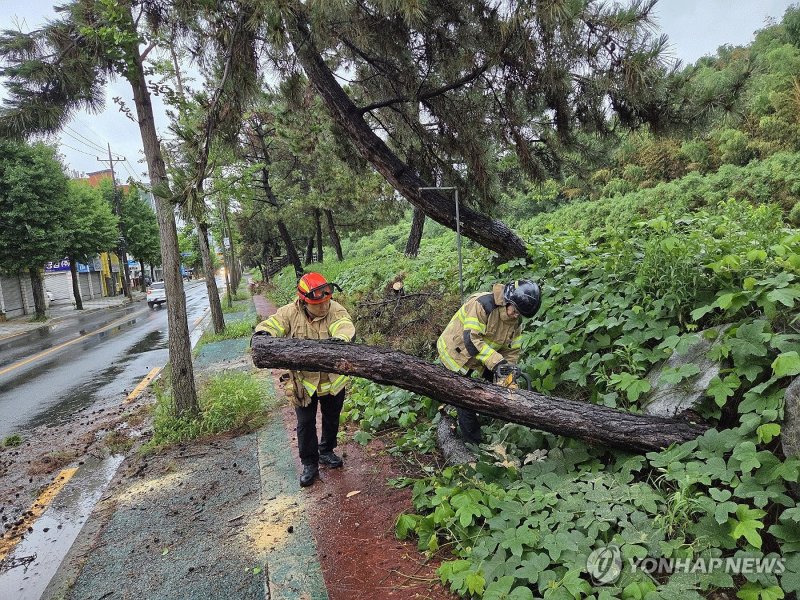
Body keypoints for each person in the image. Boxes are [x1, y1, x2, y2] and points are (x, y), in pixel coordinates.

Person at [252, 272, 355, 487]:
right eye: (318, 304)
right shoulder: (290, 312)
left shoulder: (335, 309)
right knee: (305, 422)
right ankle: (309, 464)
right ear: (303, 300)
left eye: (326, 301)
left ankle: (326, 450)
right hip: (304, 382)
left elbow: (343, 324)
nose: (323, 307)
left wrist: (340, 339)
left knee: (331, 417)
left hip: (331, 380)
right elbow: (274, 323)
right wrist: (262, 335)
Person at [437, 280, 541, 444]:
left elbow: (511, 350)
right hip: (456, 353)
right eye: (515, 311)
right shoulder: (483, 305)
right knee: (465, 400)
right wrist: (498, 363)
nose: (516, 316)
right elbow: (471, 340)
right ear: (508, 301)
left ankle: (492, 416)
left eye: (520, 314)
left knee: (495, 385)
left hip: (481, 357)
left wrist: (508, 373)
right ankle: (474, 445)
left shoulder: (516, 321)